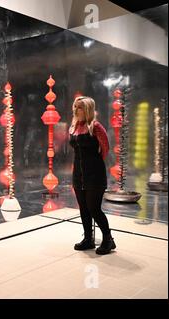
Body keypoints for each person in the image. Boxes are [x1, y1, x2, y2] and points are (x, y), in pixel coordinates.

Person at [69, 96, 116, 255]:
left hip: (94, 174)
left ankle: (108, 239)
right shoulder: (75, 126)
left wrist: (92, 165)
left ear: (87, 109)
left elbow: (105, 149)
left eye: (79, 107)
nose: (76, 110)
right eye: (75, 107)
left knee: (94, 208)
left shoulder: (95, 127)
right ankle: (88, 239)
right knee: (83, 208)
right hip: (78, 175)